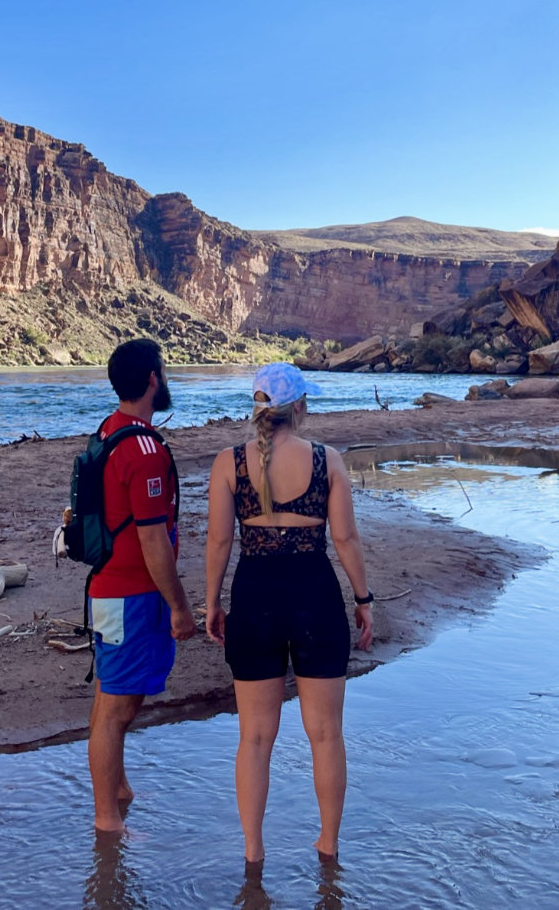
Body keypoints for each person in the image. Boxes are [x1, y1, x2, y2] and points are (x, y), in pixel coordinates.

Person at [205, 362, 374, 866]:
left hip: (255, 594)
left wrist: (212, 603)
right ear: (298, 407)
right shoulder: (328, 460)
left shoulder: (228, 464)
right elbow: (344, 538)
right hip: (314, 594)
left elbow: (219, 541)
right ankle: (328, 847)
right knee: (326, 734)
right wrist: (363, 601)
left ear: (258, 408)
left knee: (254, 737)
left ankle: (253, 854)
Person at [87, 338, 197, 836]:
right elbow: (154, 542)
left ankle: (120, 792)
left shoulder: (108, 432)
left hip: (108, 592)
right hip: (131, 597)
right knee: (119, 707)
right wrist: (179, 607)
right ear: (153, 379)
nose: (165, 379)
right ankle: (108, 823)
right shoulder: (144, 449)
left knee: (111, 698)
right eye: (164, 371)